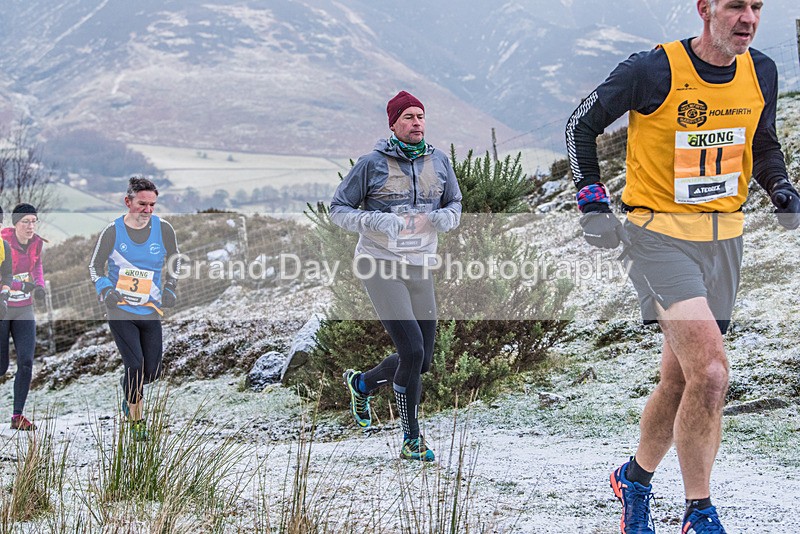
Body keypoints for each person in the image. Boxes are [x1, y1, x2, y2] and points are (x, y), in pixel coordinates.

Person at [565, 0, 799, 532]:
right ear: (705, 8)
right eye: (736, 5)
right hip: (658, 239)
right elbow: (581, 124)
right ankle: (699, 510)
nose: (749, 18)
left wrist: (779, 186)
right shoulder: (653, 70)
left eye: (758, 6)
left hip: (724, 241)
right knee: (713, 373)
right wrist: (592, 200)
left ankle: (634, 479)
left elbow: (761, 144)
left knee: (681, 381)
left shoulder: (760, 69)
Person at [331, 90, 462, 461]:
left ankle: (362, 383)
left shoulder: (439, 161)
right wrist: (376, 219)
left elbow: (454, 203)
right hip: (379, 263)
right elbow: (338, 209)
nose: (416, 122)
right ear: (393, 124)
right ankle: (411, 440)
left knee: (422, 361)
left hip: (421, 264)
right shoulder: (370, 164)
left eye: (420, 116)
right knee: (412, 349)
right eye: (408, 117)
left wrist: (443, 218)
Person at [89, 176, 181, 441]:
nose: (148, 210)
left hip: (150, 310)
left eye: (152, 205)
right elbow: (95, 267)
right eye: (142, 204)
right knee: (135, 365)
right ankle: (137, 422)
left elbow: (175, 261)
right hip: (120, 311)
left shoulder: (163, 229)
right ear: (128, 202)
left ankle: (127, 388)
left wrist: (171, 287)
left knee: (152, 370)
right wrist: (105, 289)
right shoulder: (112, 231)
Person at [0, 205, 38, 431]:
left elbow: (7, 274)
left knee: (26, 361)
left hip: (23, 308)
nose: (30, 226)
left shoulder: (6, 246)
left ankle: (17, 415)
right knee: (1, 367)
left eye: (34, 221)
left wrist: (7, 291)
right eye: (26, 221)